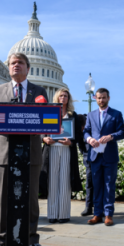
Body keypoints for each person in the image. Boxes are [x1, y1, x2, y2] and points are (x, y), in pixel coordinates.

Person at [0, 52, 48, 246]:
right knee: (3, 198)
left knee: (31, 198)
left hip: (31, 152)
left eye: (20, 63)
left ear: (28, 68)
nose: (16, 65)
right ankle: (0, 238)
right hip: (6, 152)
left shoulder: (39, 91)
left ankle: (31, 238)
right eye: (13, 63)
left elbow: (45, 119)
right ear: (8, 68)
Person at [83, 88, 124, 226]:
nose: (101, 100)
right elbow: (86, 132)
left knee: (109, 186)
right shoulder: (90, 115)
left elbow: (122, 132)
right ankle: (97, 214)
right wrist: (89, 139)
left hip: (110, 156)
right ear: (95, 98)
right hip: (94, 155)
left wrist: (111, 136)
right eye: (99, 98)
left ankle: (108, 214)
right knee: (96, 186)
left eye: (104, 97)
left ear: (108, 98)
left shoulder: (116, 114)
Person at [42, 88, 83, 223]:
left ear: (68, 98)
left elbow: (78, 134)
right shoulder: (50, 113)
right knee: (52, 182)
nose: (63, 98)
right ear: (57, 98)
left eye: (65, 96)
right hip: (52, 149)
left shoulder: (73, 115)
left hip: (66, 150)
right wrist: (44, 139)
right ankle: (52, 214)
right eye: (61, 96)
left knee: (65, 182)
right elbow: (43, 131)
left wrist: (71, 141)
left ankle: (64, 214)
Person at [78, 114, 93, 216]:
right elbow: (80, 144)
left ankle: (95, 206)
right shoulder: (81, 128)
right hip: (88, 156)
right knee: (89, 182)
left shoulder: (91, 125)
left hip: (94, 154)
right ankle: (89, 206)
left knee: (96, 182)